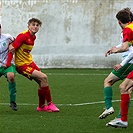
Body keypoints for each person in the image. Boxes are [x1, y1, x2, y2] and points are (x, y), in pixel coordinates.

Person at [9, 18, 59, 112]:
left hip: (30, 63)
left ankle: (41, 107)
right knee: (44, 77)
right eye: (33, 24)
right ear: (28, 26)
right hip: (22, 65)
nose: (35, 27)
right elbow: (11, 48)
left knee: (42, 81)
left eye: (37, 25)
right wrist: (7, 63)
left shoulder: (33, 37)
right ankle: (50, 104)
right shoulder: (23, 36)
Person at [99, 7, 133, 119]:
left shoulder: (127, 30)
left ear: (119, 21)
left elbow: (126, 47)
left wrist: (118, 54)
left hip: (129, 62)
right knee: (127, 89)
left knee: (108, 81)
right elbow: (126, 44)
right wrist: (114, 48)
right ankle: (121, 118)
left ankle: (109, 107)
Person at [0, 24, 17, 111]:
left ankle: (12, 102)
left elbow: (15, 41)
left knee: (11, 76)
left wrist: (11, 45)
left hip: (8, 64)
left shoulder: (7, 37)